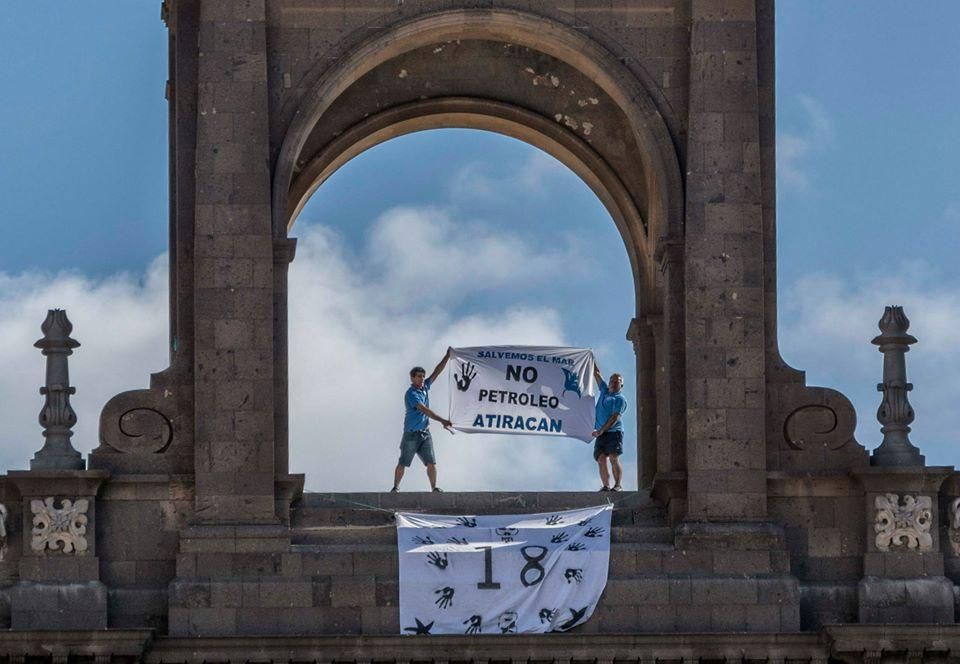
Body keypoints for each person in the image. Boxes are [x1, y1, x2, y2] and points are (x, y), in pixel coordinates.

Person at [392, 349, 453, 492]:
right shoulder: (411, 394)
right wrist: (442, 420)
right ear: (412, 378)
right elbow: (423, 409)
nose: (421, 379)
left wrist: (447, 356)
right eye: (419, 376)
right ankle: (396, 487)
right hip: (411, 434)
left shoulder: (424, 387)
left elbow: (436, 373)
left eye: (423, 376)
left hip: (425, 433)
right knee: (404, 462)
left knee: (431, 462)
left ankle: (434, 488)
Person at [592, 363, 627, 491]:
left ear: (621, 385)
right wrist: (590, 357)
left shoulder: (620, 399)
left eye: (617, 382)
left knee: (613, 457)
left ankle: (617, 485)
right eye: (612, 381)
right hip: (601, 433)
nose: (614, 383)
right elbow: (596, 373)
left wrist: (602, 430)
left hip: (614, 432)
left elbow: (614, 417)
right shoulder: (604, 391)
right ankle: (606, 486)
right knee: (601, 459)